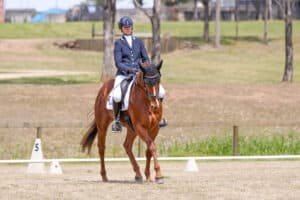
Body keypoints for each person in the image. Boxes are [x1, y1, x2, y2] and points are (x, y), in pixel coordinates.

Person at [111, 16, 167, 133]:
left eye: (129, 27)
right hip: (124, 74)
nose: (127, 29)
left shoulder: (138, 41)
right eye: (125, 28)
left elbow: (145, 58)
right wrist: (129, 69)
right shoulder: (118, 44)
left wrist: (148, 69)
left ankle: (158, 117)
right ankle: (116, 121)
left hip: (140, 73)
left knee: (161, 91)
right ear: (121, 29)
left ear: (132, 28)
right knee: (116, 95)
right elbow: (118, 62)